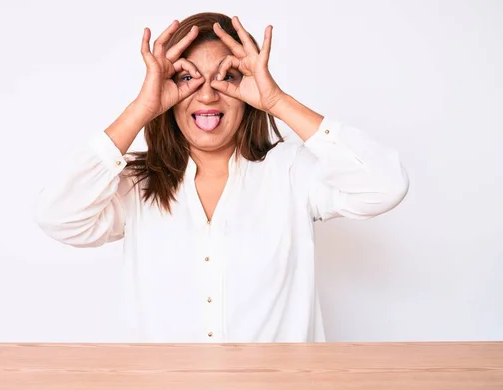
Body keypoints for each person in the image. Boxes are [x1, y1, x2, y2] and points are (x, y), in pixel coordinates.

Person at [34, 12, 409, 343]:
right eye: (188, 78)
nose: (209, 95)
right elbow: (58, 217)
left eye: (227, 77)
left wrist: (277, 101)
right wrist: (141, 109)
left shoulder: (292, 171)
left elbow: (384, 186)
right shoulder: (136, 184)